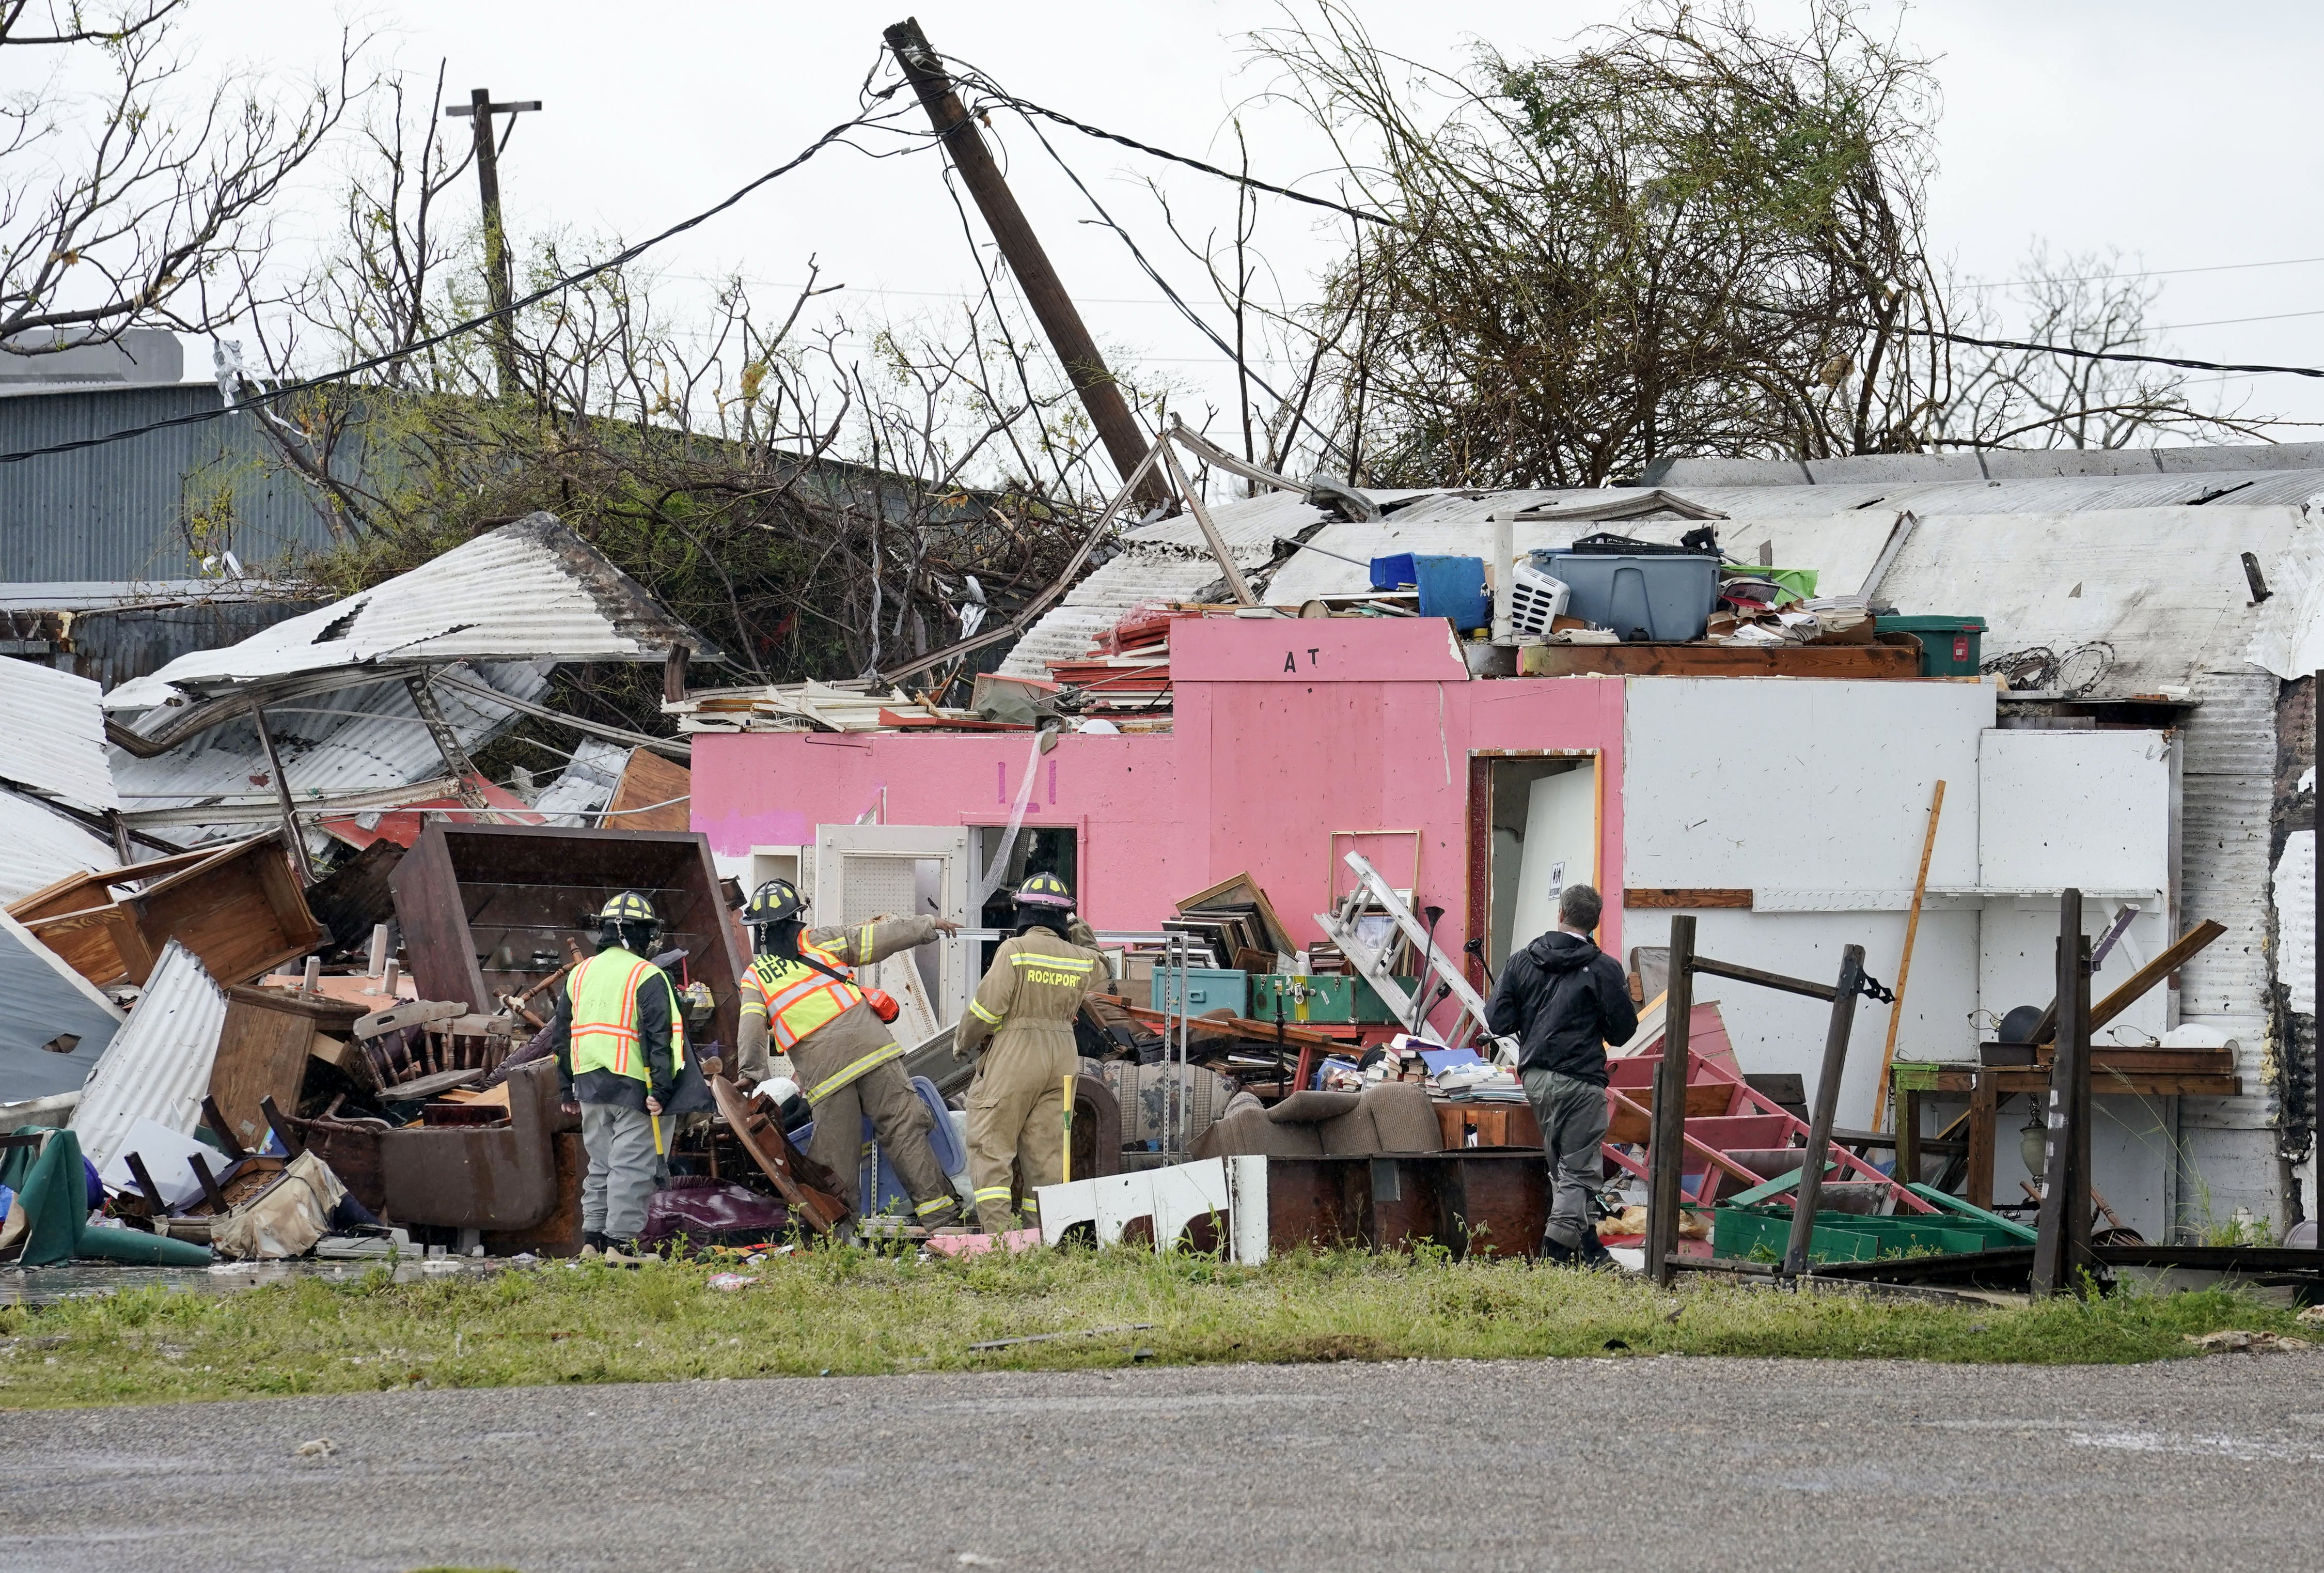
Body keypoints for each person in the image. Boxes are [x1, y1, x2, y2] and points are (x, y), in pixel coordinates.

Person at [734, 879, 964, 1233]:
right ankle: (941, 1219)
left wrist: (751, 1074)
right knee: (904, 1129)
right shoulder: (818, 941)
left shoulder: (755, 977)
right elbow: (877, 938)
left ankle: (839, 1235)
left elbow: (751, 1027)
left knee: (835, 1155)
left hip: (825, 1071)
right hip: (873, 1050)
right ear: (797, 917)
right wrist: (928, 925)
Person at [1485, 882, 1638, 1266]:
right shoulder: (1604, 969)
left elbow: (1497, 1019)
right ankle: (1553, 1257)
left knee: (1564, 1168)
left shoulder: (1522, 959)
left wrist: (1533, 1018)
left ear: (1560, 914)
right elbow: (1622, 1031)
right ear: (1595, 923)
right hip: (1581, 1081)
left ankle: (1591, 1251)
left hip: (1536, 1078)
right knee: (1580, 1172)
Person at [954, 872, 1106, 1233]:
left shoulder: (1014, 951)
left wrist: (963, 1041)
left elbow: (987, 1011)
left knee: (991, 1144)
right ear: (1062, 916)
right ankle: (1044, 1238)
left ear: (1021, 911)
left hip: (1015, 1054)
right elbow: (1104, 964)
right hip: (1062, 1057)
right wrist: (1079, 928)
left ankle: (1000, 1243)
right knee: (1047, 1155)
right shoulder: (1079, 959)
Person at [547, 891, 686, 1255]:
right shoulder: (647, 974)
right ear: (638, 934)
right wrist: (663, 1090)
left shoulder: (580, 974)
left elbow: (561, 1035)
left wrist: (566, 1089)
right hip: (634, 1085)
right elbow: (663, 1038)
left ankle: (593, 1240)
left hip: (589, 1084)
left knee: (602, 1163)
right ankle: (622, 1246)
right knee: (632, 1166)